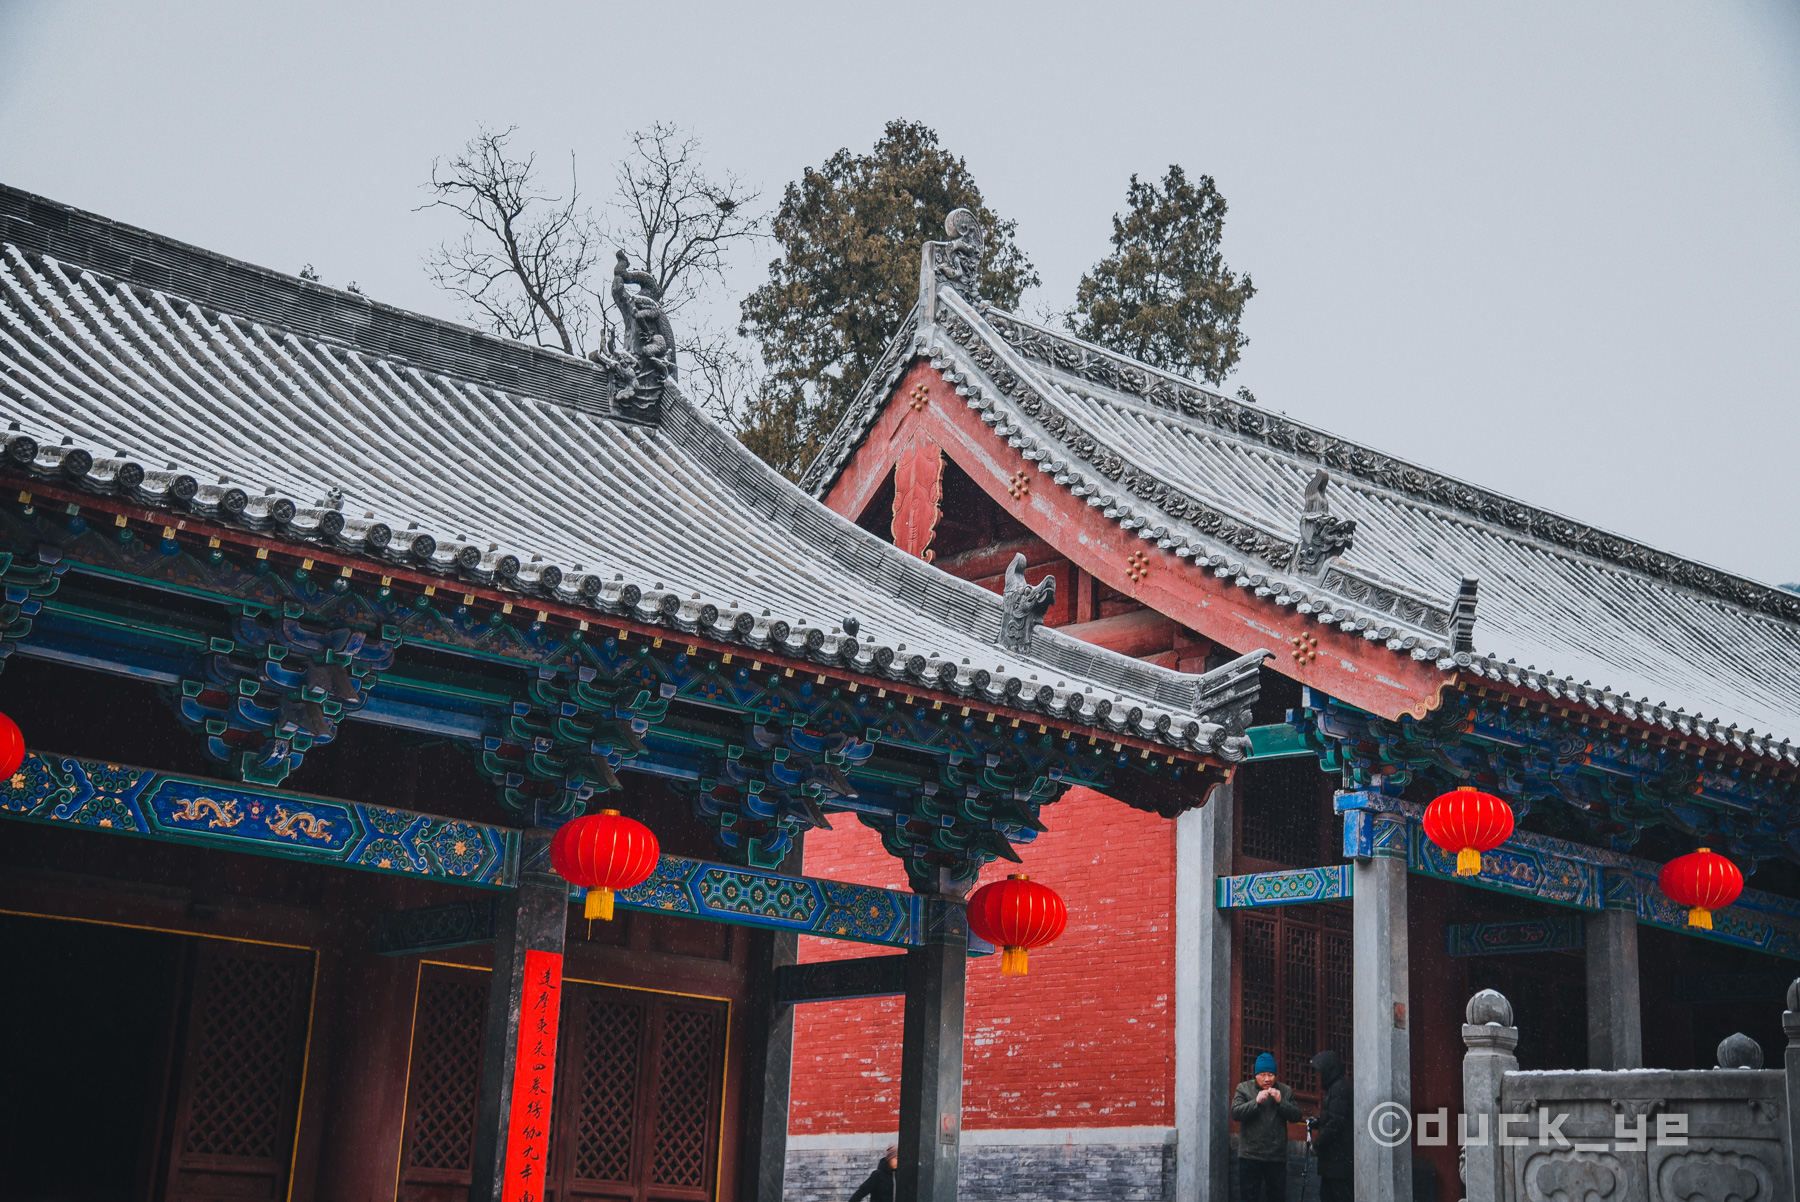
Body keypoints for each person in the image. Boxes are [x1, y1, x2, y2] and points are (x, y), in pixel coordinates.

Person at [1232, 1052, 1302, 1201]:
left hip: (1276, 1157)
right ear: (1256, 1074)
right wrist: (1255, 1102)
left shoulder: (1285, 1090)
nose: (1267, 1079)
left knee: (1276, 1197)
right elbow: (1235, 1113)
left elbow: (1296, 1116)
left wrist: (1280, 1101)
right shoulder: (1244, 1088)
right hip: (1250, 1155)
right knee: (1248, 1197)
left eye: (1270, 1074)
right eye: (1262, 1075)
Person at [1310, 1050, 1353, 1202]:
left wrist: (1317, 1144)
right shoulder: (1336, 1087)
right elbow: (1333, 1116)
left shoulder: (1340, 1088)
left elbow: (1336, 1122)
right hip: (1334, 1161)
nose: (1319, 1076)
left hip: (1338, 1161)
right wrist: (1318, 1122)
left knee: (1336, 1196)